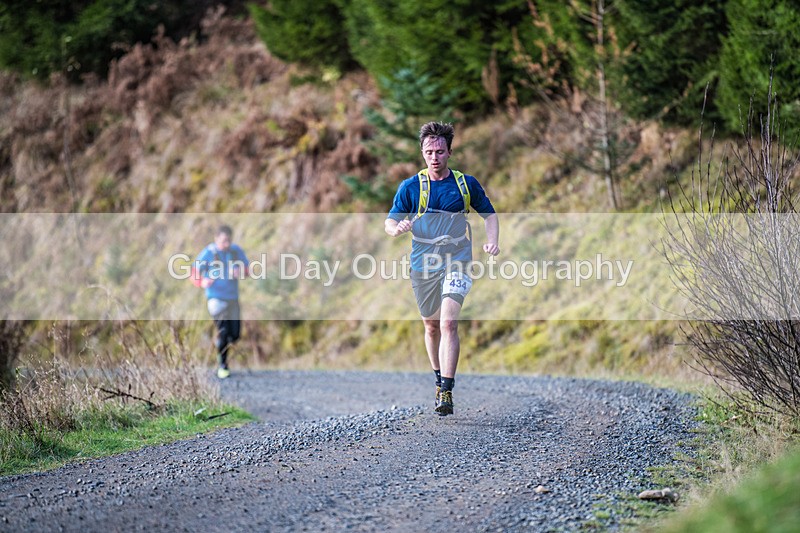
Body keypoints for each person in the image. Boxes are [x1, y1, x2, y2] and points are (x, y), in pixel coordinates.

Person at [385, 122, 499, 415]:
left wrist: (492, 242)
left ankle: (446, 391)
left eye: (439, 151)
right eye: (428, 152)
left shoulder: (465, 184)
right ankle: (438, 379)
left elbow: (489, 215)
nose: (434, 157)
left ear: (449, 152)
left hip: (457, 258)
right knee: (431, 325)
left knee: (448, 323)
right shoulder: (411, 187)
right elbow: (389, 221)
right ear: (422, 154)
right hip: (423, 263)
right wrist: (397, 228)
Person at [192, 225, 249, 379]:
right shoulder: (209, 253)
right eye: (224, 240)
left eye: (229, 240)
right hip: (215, 298)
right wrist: (202, 282)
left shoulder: (235, 251)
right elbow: (194, 272)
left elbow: (247, 270)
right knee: (223, 331)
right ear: (216, 239)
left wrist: (240, 272)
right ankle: (223, 365)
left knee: (235, 334)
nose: (227, 243)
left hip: (232, 298)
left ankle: (220, 344)